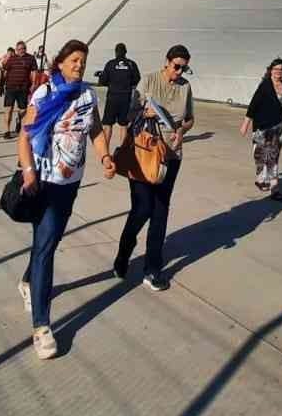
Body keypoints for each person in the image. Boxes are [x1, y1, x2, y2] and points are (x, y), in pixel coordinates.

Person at [16, 39, 115, 360]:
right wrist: (28, 173)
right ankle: (42, 326)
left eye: (83, 61)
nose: (79, 66)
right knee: (46, 247)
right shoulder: (44, 93)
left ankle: (28, 281)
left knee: (50, 241)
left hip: (70, 184)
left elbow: (95, 130)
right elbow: (24, 136)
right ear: (60, 63)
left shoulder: (88, 95)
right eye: (74, 60)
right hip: (44, 181)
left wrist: (105, 157)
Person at [112, 45, 196, 290]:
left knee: (160, 211)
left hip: (171, 156)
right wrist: (143, 112)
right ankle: (124, 252)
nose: (179, 72)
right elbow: (128, 115)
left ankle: (152, 269)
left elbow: (190, 118)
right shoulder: (148, 81)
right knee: (142, 209)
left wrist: (182, 130)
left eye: (184, 68)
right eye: (176, 66)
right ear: (166, 62)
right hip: (144, 154)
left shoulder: (185, 87)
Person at [239, 58, 282, 195]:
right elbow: (254, 105)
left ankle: (274, 187)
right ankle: (261, 179)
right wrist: (245, 124)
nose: (278, 72)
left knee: (273, 156)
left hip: (279, 128)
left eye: (281, 69)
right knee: (260, 154)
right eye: (276, 69)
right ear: (271, 70)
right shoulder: (265, 86)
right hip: (262, 127)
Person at [95, 42, 140, 133]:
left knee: (108, 124)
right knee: (123, 125)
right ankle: (123, 143)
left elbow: (103, 81)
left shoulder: (110, 64)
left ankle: (106, 143)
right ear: (125, 52)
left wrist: (109, 81)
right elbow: (137, 79)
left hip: (112, 98)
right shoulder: (131, 64)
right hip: (126, 98)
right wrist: (127, 83)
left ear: (115, 52)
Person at [1, 41, 38, 140]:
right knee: (8, 109)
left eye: (23, 48)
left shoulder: (31, 58)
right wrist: (2, 84)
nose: (22, 50)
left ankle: (19, 119)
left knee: (23, 110)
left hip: (23, 88)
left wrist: (34, 84)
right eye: (20, 49)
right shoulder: (11, 59)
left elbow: (34, 71)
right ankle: (7, 131)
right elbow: (5, 71)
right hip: (10, 88)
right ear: (16, 50)